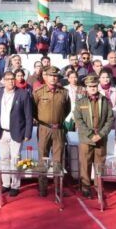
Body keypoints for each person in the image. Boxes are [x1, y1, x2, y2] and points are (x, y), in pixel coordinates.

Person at [74, 75, 115, 199]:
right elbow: (78, 120)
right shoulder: (80, 102)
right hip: (86, 139)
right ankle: (85, 188)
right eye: (90, 86)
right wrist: (91, 135)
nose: (92, 88)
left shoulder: (105, 100)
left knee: (99, 164)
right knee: (85, 164)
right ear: (86, 87)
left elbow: (110, 119)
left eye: (94, 86)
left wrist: (101, 134)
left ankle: (98, 188)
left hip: (101, 138)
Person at [0, 70, 33, 198]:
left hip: (17, 132)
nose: (11, 81)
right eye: (8, 79)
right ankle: (6, 184)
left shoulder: (23, 94)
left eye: (12, 79)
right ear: (3, 81)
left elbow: (29, 115)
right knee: (4, 159)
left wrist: (28, 133)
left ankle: (15, 185)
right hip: (2, 132)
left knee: (15, 159)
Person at [32, 66, 69, 197]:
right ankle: (43, 187)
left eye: (55, 76)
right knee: (43, 158)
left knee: (58, 159)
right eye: (51, 76)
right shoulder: (38, 92)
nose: (53, 78)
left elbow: (67, 109)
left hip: (58, 129)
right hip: (44, 128)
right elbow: (33, 110)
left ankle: (58, 186)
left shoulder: (64, 92)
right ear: (45, 77)